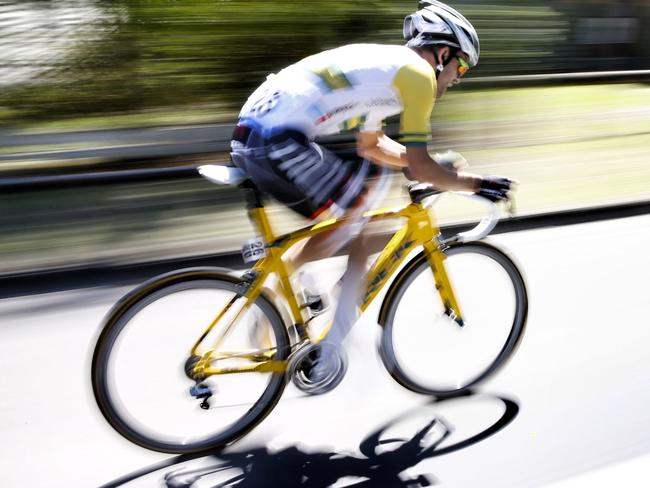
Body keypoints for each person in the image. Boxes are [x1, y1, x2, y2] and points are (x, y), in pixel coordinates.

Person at [230, 0, 513, 392]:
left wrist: (440, 173)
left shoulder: (387, 72)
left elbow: (373, 145)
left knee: (347, 224)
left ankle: (274, 300)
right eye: (461, 66)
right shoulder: (418, 78)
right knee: (360, 222)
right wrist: (476, 183)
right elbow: (419, 167)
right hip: (278, 140)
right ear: (443, 52)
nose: (459, 77)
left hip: (253, 137)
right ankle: (330, 346)